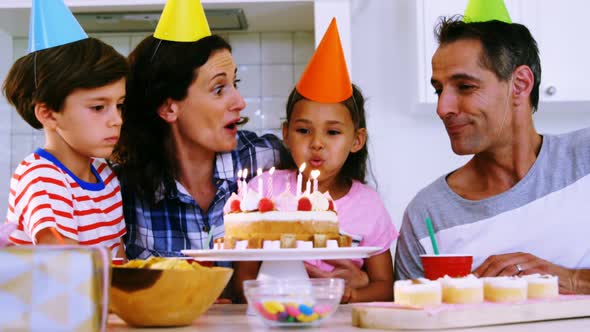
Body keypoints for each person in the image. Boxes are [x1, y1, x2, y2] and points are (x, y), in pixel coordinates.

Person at [394, 12, 590, 294]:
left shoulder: (584, 158)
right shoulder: (428, 214)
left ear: (520, 85)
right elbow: (411, 316)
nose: (443, 108)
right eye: (439, 90)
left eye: (465, 87)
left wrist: (570, 279)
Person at [235, 19, 398, 303]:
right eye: (303, 130)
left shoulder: (369, 205)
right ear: (286, 133)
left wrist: (345, 294)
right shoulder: (263, 192)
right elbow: (242, 282)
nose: (317, 143)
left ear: (357, 140)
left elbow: (385, 286)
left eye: (333, 132)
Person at [112, 0, 284, 259]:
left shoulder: (267, 159)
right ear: (169, 108)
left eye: (234, 83)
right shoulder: (123, 190)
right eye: (219, 89)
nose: (239, 102)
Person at [1, 0, 128, 257]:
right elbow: (66, 264)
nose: (117, 120)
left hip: (97, 296)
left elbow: (119, 261)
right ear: (48, 114)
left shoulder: (105, 176)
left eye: (120, 105)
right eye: (98, 107)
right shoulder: (40, 176)